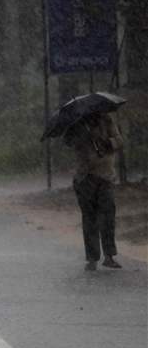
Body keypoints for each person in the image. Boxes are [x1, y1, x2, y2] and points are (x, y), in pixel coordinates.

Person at [64, 112, 123, 270]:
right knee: (89, 219)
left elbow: (119, 141)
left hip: (106, 177)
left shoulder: (107, 120)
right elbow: (69, 142)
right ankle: (92, 258)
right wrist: (83, 136)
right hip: (85, 177)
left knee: (108, 216)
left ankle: (109, 256)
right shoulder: (77, 123)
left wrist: (105, 141)